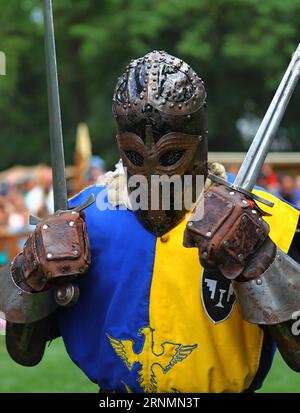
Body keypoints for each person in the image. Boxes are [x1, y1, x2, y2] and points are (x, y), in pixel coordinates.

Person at [1, 51, 300, 393]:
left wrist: (260, 258)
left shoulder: (268, 219)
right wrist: (33, 274)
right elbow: (24, 351)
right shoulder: (79, 222)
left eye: (171, 155)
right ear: (120, 143)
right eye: (136, 154)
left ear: (199, 140)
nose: (155, 175)